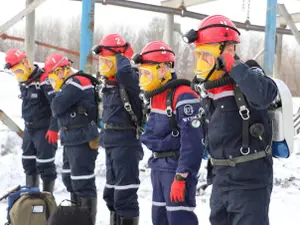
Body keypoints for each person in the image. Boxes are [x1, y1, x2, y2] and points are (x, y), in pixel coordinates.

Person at [184, 15, 278, 225]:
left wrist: (233, 65)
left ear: (227, 49)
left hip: (250, 181)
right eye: (199, 55)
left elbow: (265, 94)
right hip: (220, 178)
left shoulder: (249, 73)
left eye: (206, 55)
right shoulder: (210, 86)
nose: (201, 62)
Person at [133, 41, 204, 225]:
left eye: (147, 73)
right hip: (158, 168)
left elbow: (193, 144)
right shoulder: (155, 97)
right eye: (142, 73)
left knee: (179, 220)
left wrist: (182, 177)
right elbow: (150, 134)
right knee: (160, 219)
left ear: (163, 69)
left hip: (176, 170)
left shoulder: (183, 96)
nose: (143, 78)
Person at [93, 33, 144, 225]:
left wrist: (121, 54)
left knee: (125, 197)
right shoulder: (109, 84)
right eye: (102, 62)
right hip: (111, 143)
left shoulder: (130, 79)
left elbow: (124, 72)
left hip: (126, 143)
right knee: (111, 195)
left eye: (108, 61)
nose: (104, 66)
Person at [43, 53, 99, 224]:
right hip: (71, 138)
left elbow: (57, 106)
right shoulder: (69, 85)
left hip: (82, 139)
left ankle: (86, 220)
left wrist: (55, 94)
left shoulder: (77, 82)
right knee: (70, 180)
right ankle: (76, 219)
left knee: (82, 183)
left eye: (52, 77)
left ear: (60, 71)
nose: (52, 82)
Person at [4, 48, 58, 193]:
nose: (18, 75)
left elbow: (56, 106)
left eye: (20, 71)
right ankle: (32, 202)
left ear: (26, 63)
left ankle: (47, 201)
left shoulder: (44, 81)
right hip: (29, 128)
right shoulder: (24, 82)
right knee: (28, 163)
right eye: (15, 73)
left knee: (45, 165)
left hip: (44, 130)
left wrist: (54, 128)